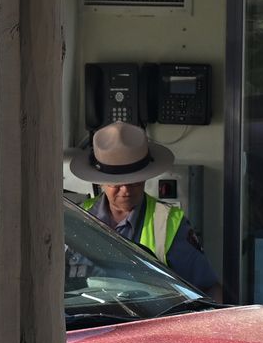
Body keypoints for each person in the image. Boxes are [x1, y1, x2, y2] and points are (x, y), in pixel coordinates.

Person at [69, 121, 221, 297]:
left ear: (145, 177)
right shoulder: (77, 218)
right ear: (99, 181)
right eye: (116, 183)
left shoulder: (168, 223)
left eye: (133, 180)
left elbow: (209, 290)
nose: (125, 190)